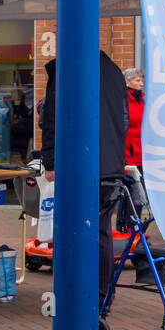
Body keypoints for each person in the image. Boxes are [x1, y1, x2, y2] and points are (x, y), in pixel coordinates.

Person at [39, 51, 129, 304]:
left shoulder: (67, 67)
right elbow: (124, 118)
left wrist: (50, 160)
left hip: (78, 165)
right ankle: (102, 296)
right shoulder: (114, 71)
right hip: (110, 165)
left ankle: (74, 295)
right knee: (101, 232)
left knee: (71, 230)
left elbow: (52, 119)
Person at [123, 68, 144, 169]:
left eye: (142, 81)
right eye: (138, 80)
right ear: (127, 82)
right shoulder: (123, 101)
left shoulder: (142, 101)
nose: (141, 84)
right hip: (129, 153)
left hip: (142, 151)